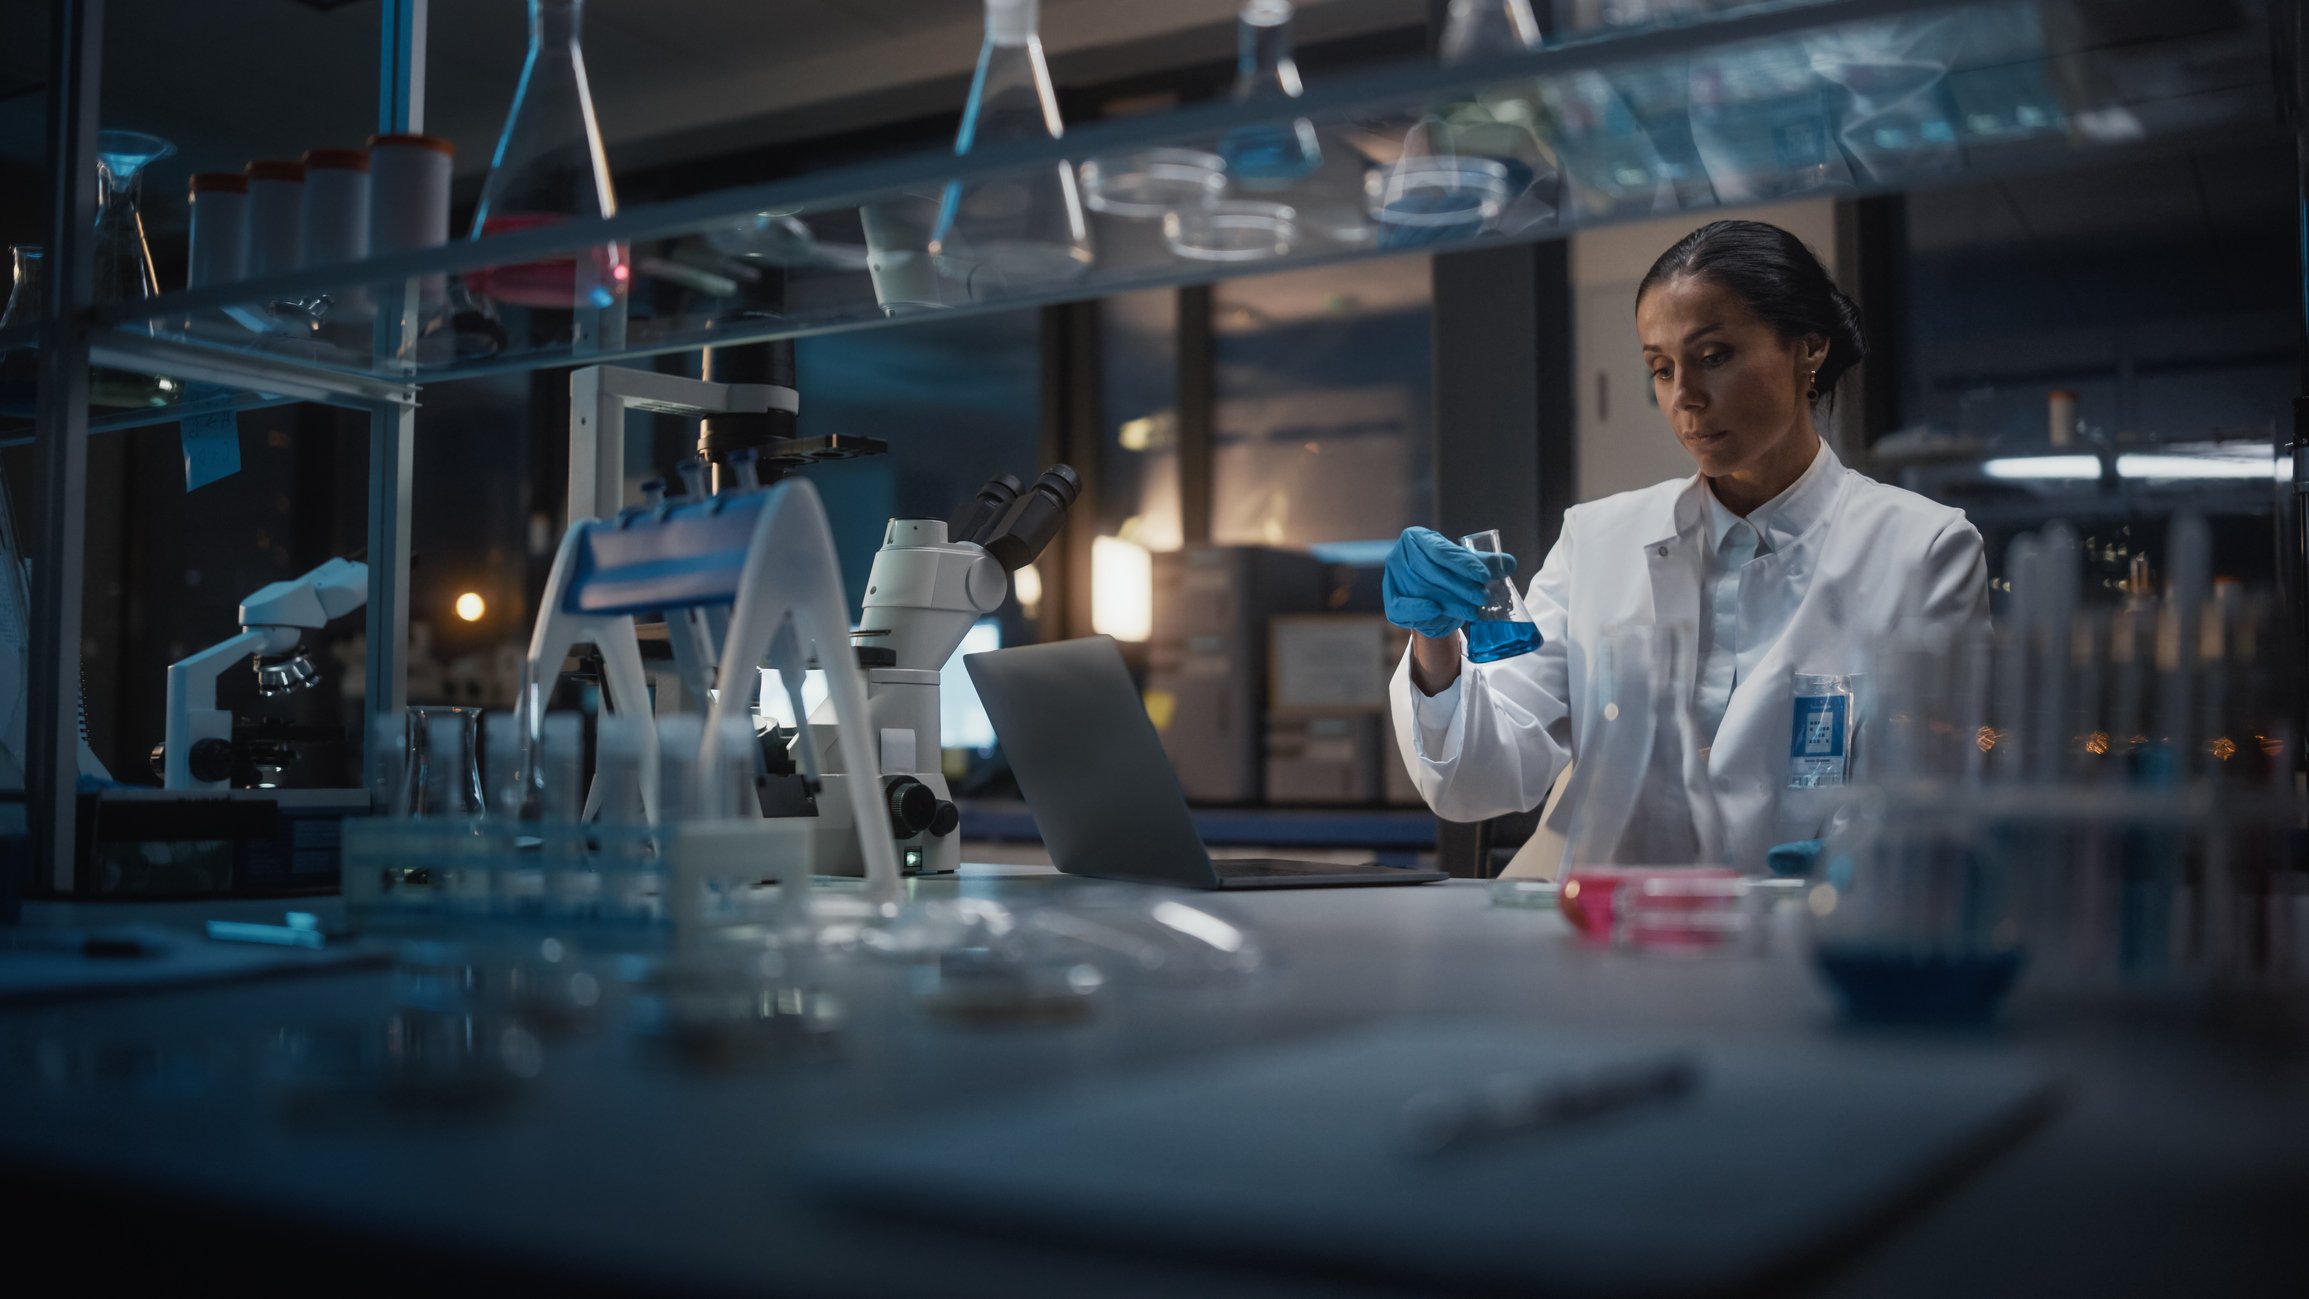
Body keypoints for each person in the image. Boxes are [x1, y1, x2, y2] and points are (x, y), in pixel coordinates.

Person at [1384, 219, 1989, 872]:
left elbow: (1929, 788)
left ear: (1807, 348)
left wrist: (1859, 857)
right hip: (1599, 930)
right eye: (1661, 368)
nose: (1684, 397)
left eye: (1714, 356)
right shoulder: (1596, 540)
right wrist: (1436, 644)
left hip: (1795, 936)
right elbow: (1480, 780)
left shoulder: (1923, 548)